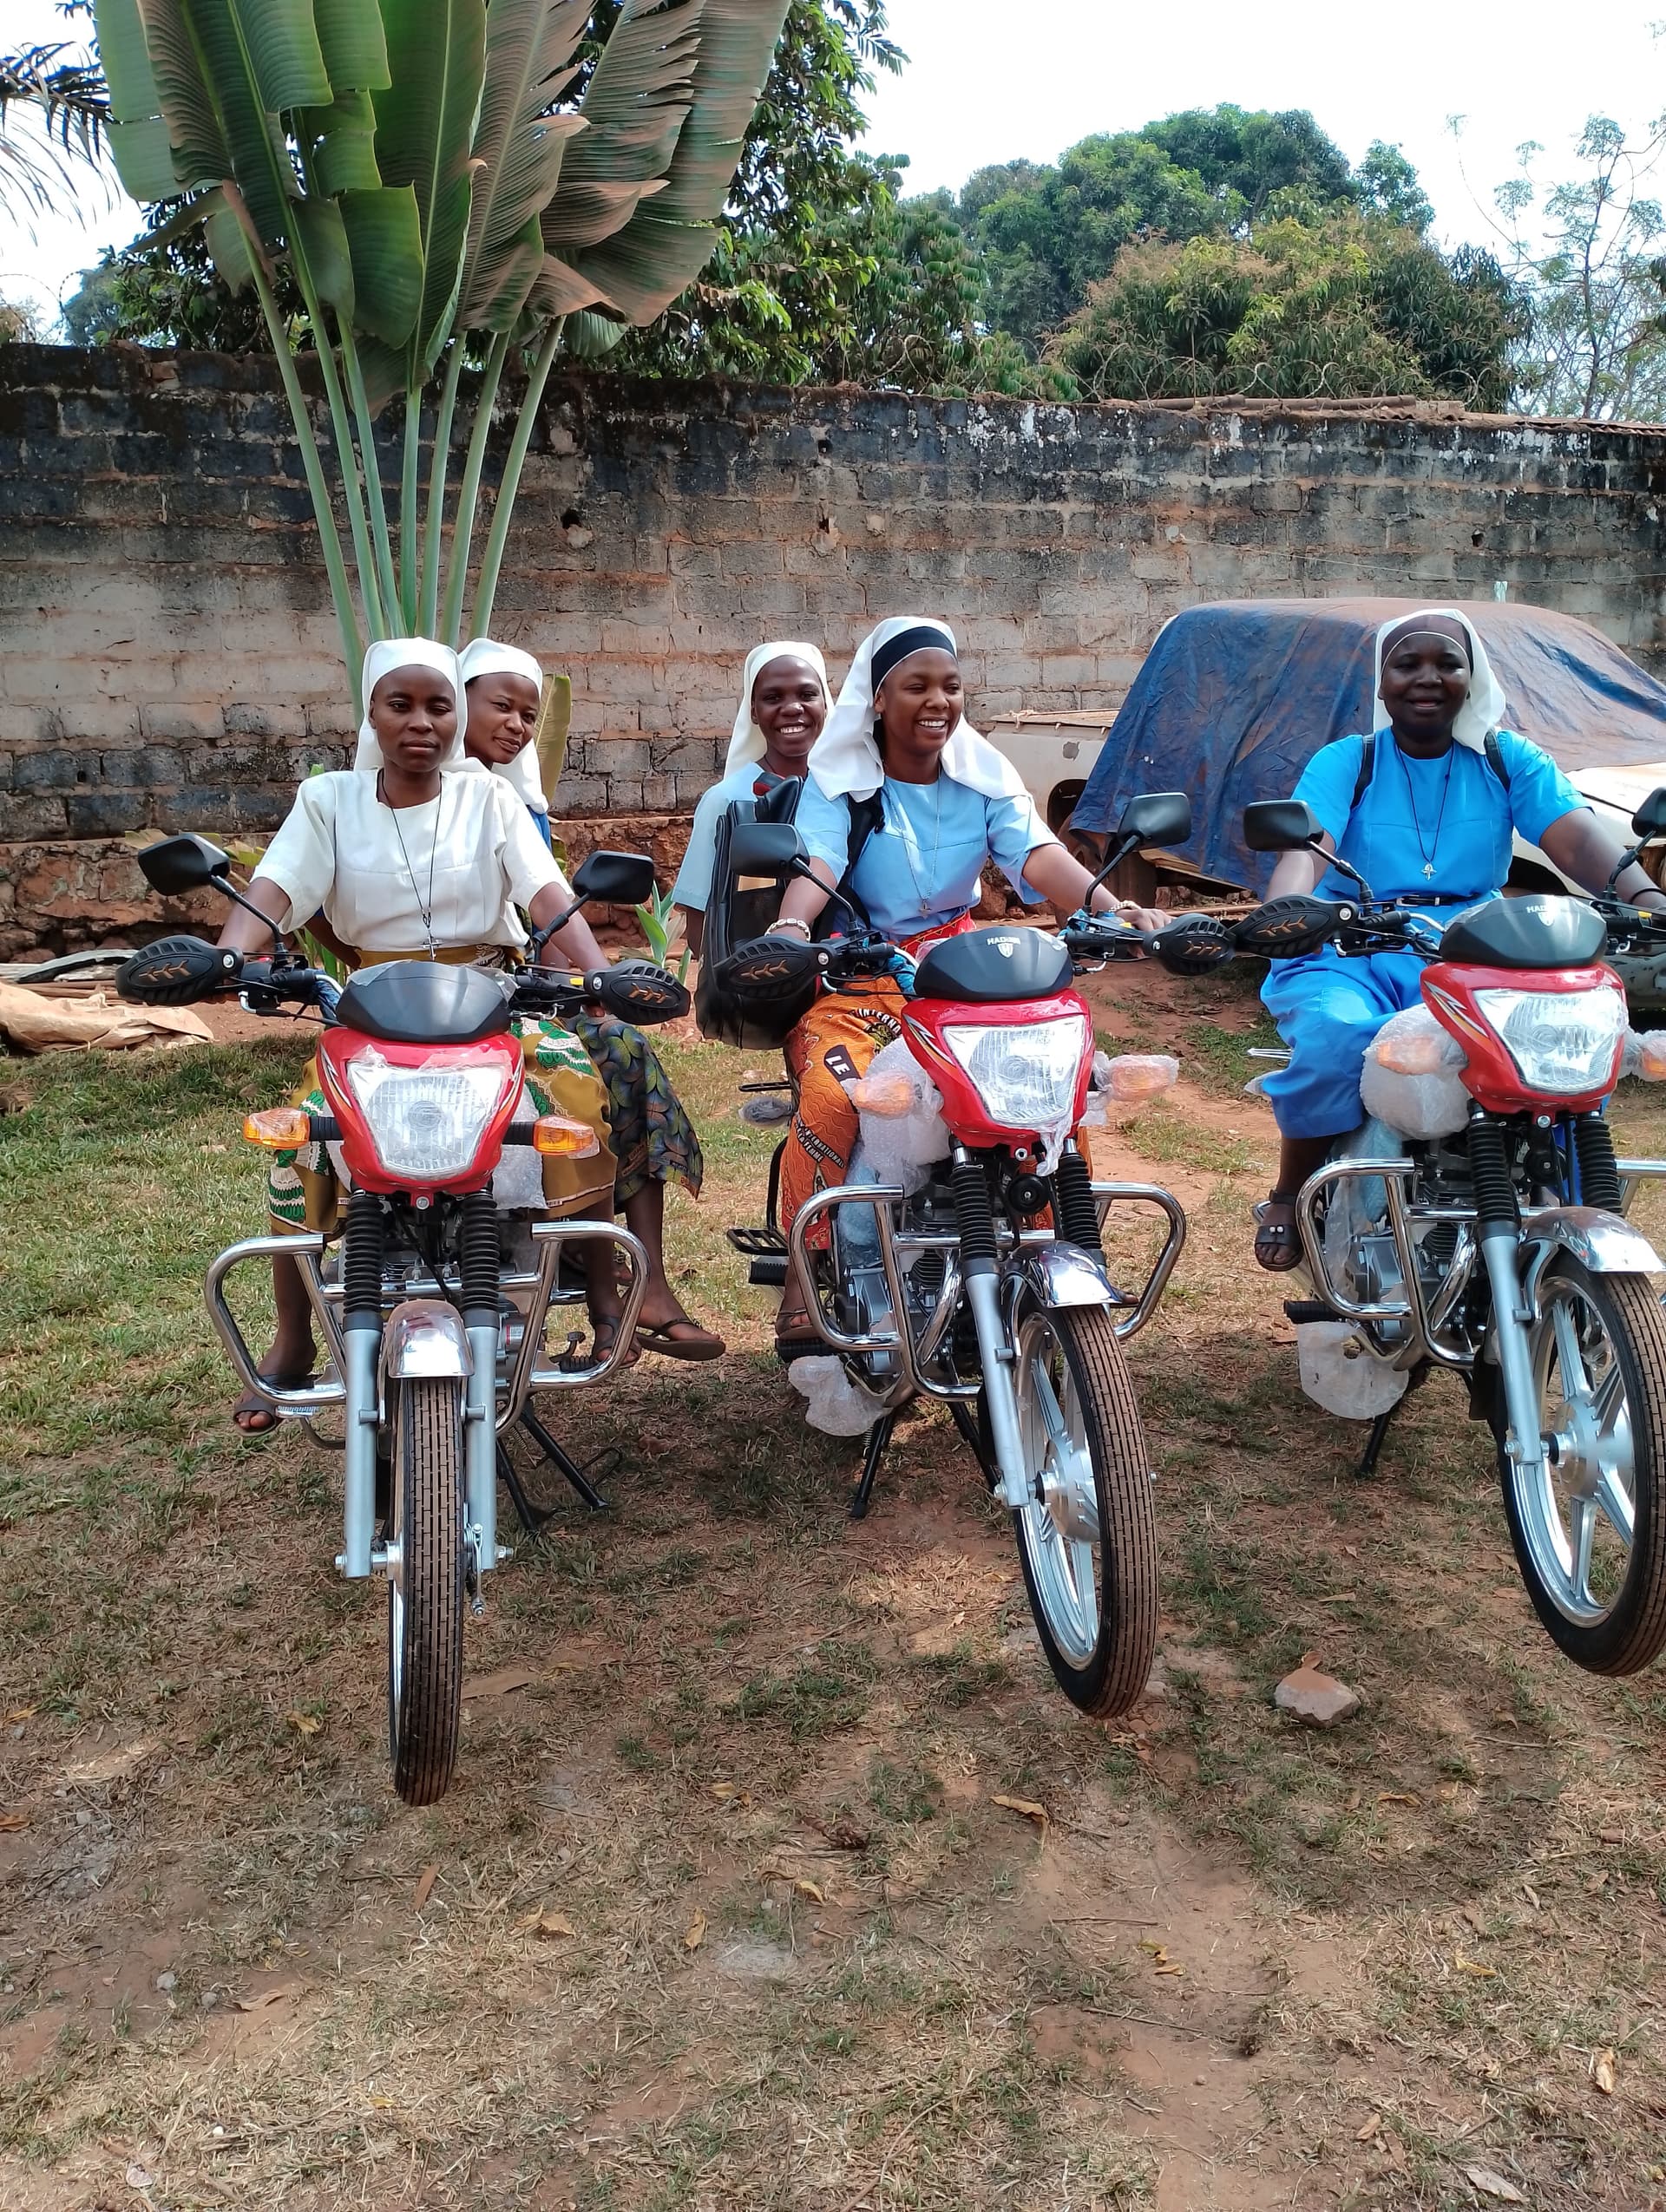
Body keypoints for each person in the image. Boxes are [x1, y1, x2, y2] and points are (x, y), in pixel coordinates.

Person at [220, 638, 622, 1430]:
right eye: (400, 704)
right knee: (304, 1134)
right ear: (371, 714)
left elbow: (546, 897)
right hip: (368, 1006)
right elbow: (275, 888)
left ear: (457, 715)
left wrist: (602, 978)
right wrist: (229, 955)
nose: (422, 722)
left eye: (440, 706)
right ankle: (294, 1337)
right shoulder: (329, 800)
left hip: (493, 997)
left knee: (577, 1093)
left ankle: (602, 1291)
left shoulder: (491, 800)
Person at [761, 615, 1162, 1353]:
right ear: (879, 699)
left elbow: (1036, 856)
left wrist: (1113, 909)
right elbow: (815, 864)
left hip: (965, 973)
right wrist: (791, 929)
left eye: (950, 685)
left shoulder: (984, 775)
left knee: (1048, 1095)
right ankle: (805, 1274)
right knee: (833, 1096)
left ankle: (1055, 1248)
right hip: (864, 973)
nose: (938, 700)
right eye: (917, 685)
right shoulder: (839, 782)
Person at [1254, 607, 1666, 1271]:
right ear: (1381, 683)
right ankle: (1292, 1188)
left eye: (1447, 662)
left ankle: (1557, 1188)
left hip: (1474, 949)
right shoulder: (1347, 761)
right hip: (1350, 943)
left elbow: (1578, 839)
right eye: (1407, 663)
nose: (1428, 677)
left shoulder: (1509, 759)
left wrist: (1648, 900)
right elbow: (1307, 848)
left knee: (1562, 1046)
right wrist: (1286, 912)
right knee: (1337, 1040)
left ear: (1471, 678)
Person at [456, 636, 724, 1363]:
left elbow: (547, 912)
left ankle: (646, 1282)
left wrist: (593, 984)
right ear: (458, 703)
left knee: (621, 1052)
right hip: (406, 1007)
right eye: (500, 706)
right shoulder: (362, 800)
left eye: (527, 714)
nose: (515, 725)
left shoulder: (520, 807)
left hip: (509, 996)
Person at [671, 641, 833, 955]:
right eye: (773, 698)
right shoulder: (727, 802)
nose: (792, 708)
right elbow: (699, 931)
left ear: (825, 703)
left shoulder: (848, 796)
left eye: (807, 695)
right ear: (754, 712)